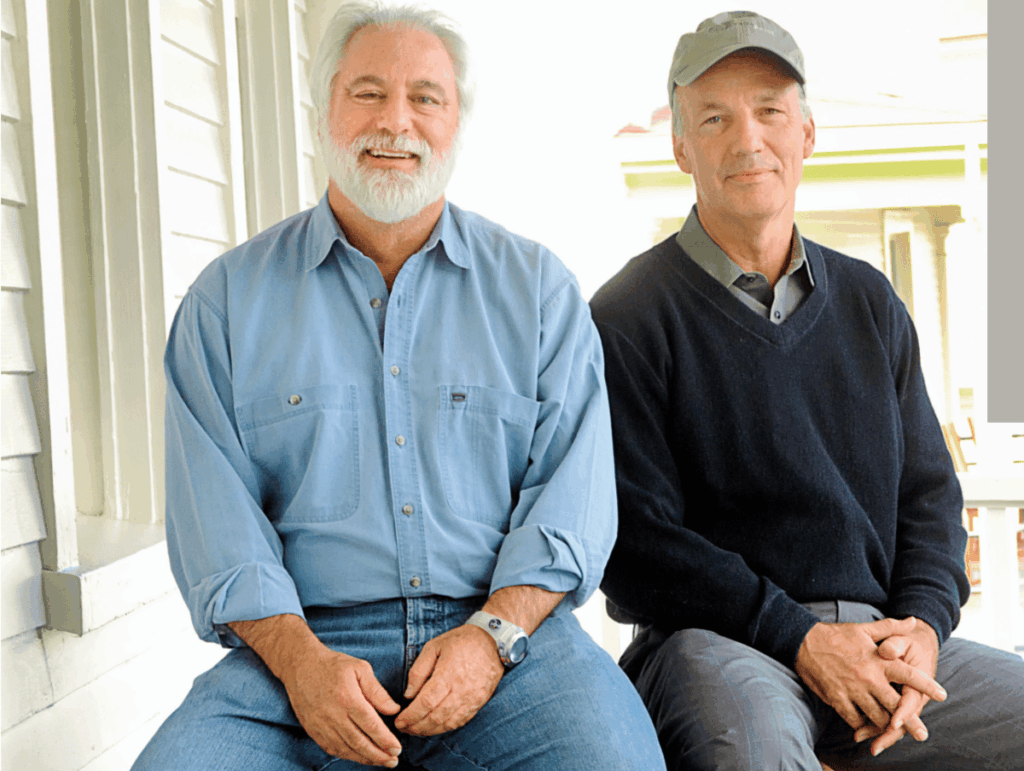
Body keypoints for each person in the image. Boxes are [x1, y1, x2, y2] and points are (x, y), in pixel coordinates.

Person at [132, 3, 665, 770]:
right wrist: (302, 662)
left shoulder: (539, 293)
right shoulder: (224, 305)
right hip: (300, 653)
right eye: (368, 93)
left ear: (457, 121)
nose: (396, 122)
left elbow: (572, 503)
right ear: (325, 113)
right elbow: (220, 532)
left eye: (425, 98)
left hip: (508, 645)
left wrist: (491, 637)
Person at [589, 10, 1024, 771]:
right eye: (715, 117)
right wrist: (800, 637)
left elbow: (929, 500)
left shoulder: (870, 301)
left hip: (885, 640)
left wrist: (922, 625)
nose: (747, 139)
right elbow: (637, 545)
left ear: (806, 134)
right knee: (754, 754)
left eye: (770, 112)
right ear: (681, 145)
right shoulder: (627, 315)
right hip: (717, 645)